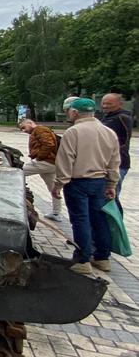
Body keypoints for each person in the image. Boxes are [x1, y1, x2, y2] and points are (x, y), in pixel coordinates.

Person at [51, 98, 121, 275]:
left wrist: (58, 184)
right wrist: (112, 183)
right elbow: (114, 161)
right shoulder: (108, 132)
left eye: (69, 111)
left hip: (78, 182)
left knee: (81, 220)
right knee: (99, 220)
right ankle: (102, 258)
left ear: (74, 112)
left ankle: (82, 260)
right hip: (100, 182)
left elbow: (66, 160)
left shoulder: (73, 132)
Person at [18, 118, 63, 220]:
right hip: (51, 164)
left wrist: (39, 158)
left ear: (30, 123)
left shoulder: (40, 130)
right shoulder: (39, 130)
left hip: (45, 163)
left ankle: (15, 202)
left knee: (17, 173)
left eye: (24, 127)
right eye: (21, 129)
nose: (23, 131)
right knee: (53, 188)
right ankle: (56, 213)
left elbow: (49, 144)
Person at [99, 93, 132, 211]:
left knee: (112, 196)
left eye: (109, 103)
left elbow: (122, 141)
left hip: (119, 162)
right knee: (106, 196)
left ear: (119, 104)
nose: (105, 106)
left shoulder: (122, 117)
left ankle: (117, 225)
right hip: (105, 162)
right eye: (104, 103)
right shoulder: (106, 117)